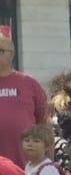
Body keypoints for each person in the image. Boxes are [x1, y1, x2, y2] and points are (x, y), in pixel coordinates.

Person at [0, 27, 48, 167]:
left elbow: (44, 124)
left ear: (12, 54)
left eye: (0, 51)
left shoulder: (28, 83)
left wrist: (49, 163)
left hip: (26, 168)